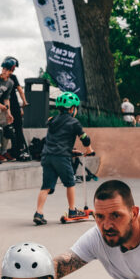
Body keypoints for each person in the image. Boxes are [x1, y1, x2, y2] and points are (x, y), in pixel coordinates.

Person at [33, 92, 92, 225]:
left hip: (47, 156)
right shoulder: (74, 122)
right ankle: (72, 211)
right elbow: (85, 138)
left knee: (46, 186)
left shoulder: (52, 120)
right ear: (72, 109)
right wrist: (89, 150)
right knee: (70, 182)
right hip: (61, 157)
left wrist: (70, 150)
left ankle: (39, 212)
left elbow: (56, 139)